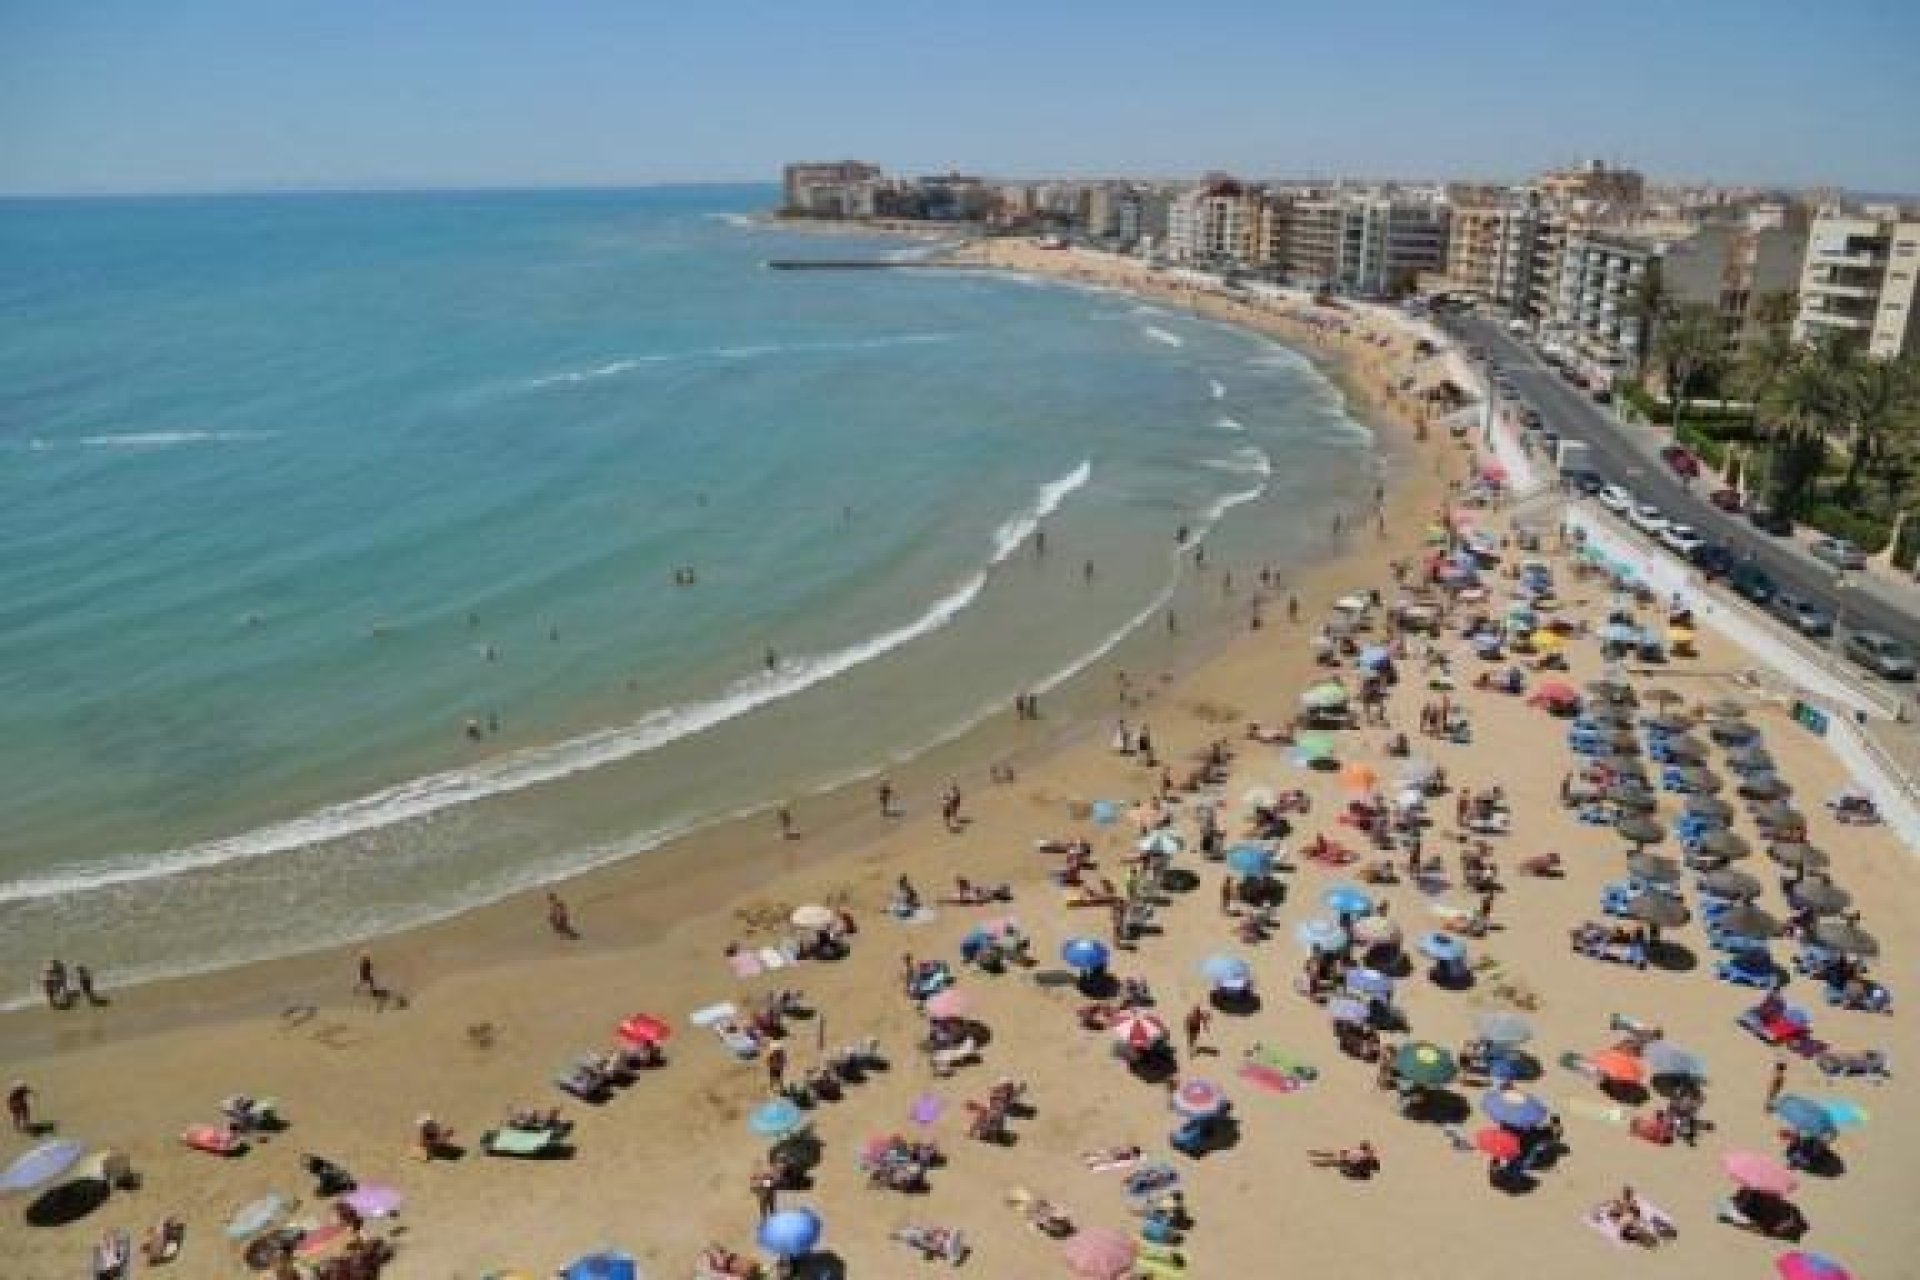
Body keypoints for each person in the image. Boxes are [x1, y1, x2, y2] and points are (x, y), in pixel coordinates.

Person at [1307, 1140, 1379, 1177]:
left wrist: (1347, 1171)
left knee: (1331, 1160)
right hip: (1347, 1156)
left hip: (1347, 1159)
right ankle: (1315, 1157)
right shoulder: (1369, 1154)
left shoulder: (1365, 1165)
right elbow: (1363, 1144)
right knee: (1331, 1157)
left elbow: (1355, 1170)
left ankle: (1315, 1160)